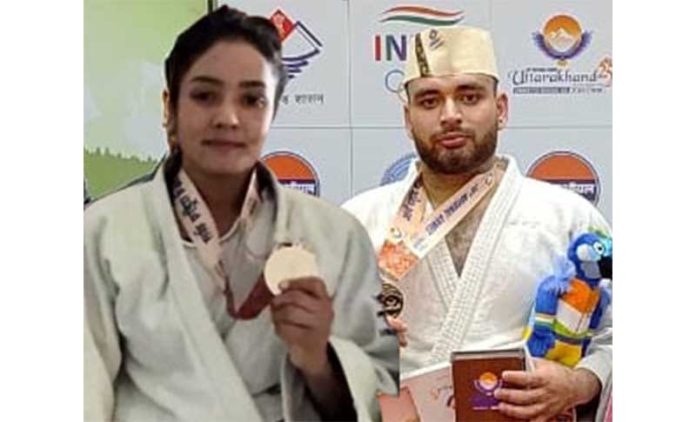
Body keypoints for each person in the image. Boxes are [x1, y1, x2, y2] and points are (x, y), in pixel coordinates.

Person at [84, 6, 398, 421]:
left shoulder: (336, 235)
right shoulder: (103, 233)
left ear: (273, 111)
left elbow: (379, 393)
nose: (228, 118)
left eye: (252, 100)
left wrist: (319, 360)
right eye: (205, 96)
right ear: (169, 108)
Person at [342, 26, 611, 421]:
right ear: (408, 117)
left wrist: (581, 382)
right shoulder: (357, 223)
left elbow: (616, 334)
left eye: (469, 97)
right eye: (429, 101)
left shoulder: (569, 218)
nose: (450, 115)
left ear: (501, 108)